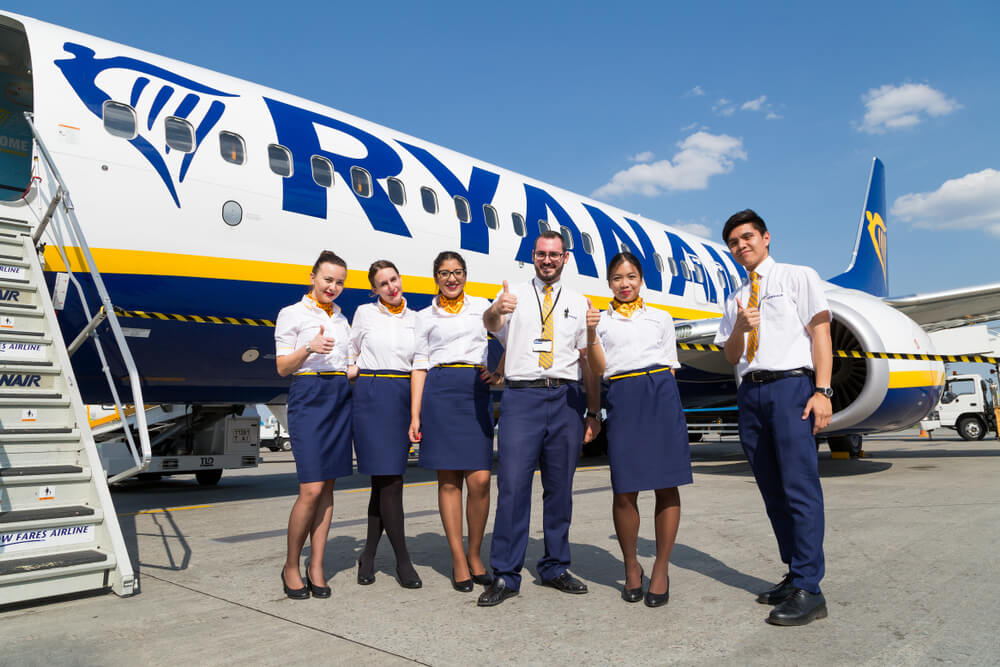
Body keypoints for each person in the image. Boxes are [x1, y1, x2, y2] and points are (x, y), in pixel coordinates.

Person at [713, 209, 833, 626]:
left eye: (747, 237)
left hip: (790, 388)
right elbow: (730, 355)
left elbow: (821, 334)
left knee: (800, 487)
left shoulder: (798, 277)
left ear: (766, 238)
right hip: (750, 393)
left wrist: (822, 391)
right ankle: (794, 572)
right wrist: (740, 328)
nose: (741, 245)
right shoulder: (734, 299)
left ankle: (810, 588)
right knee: (771, 490)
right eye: (733, 242)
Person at [478, 230, 602, 607]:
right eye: (541, 254)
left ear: (565, 258)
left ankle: (555, 566)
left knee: (559, 489)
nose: (548, 260)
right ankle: (505, 573)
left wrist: (593, 412)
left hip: (565, 397)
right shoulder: (512, 296)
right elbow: (489, 323)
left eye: (555, 254)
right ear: (533, 256)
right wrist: (497, 309)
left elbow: (589, 363)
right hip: (522, 397)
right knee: (513, 487)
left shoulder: (580, 303)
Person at [584, 252, 692, 607]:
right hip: (624, 397)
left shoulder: (661, 317)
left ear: (641, 279)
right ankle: (632, 567)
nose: (625, 284)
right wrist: (595, 413)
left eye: (631, 276)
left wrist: (666, 406)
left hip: (660, 393)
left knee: (666, 484)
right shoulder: (599, 322)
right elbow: (597, 372)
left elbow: (670, 366)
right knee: (624, 489)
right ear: (609, 283)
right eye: (617, 278)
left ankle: (660, 569)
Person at [409, 251, 499, 593]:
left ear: (466, 275)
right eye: (445, 273)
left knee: (480, 479)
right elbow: (419, 364)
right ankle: (459, 558)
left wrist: (500, 371)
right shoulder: (423, 316)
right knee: (448, 481)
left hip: (474, 391)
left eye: (458, 272)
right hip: (440, 391)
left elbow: (506, 338)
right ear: (435, 277)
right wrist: (415, 414)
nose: (452, 278)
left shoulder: (482, 307)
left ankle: (475, 553)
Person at [274, 250, 353, 600]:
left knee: (328, 489)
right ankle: (292, 564)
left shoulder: (342, 319)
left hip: (339, 395)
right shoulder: (291, 313)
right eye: (328, 280)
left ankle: (316, 565)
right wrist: (309, 346)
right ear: (312, 277)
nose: (333, 287)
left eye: (339, 282)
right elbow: (282, 368)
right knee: (310, 488)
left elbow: (348, 363)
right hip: (308, 395)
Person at [349, 260, 422, 589]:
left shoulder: (417, 320)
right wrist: (350, 368)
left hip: (402, 395)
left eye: (394, 279)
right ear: (374, 290)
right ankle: (403, 561)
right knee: (389, 481)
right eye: (383, 283)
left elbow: (420, 366)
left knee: (384, 483)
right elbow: (350, 350)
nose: (392, 287)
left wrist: (416, 413)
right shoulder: (364, 313)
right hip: (371, 392)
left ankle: (368, 555)